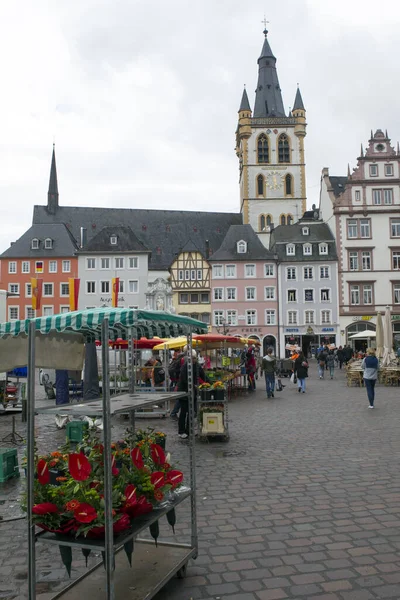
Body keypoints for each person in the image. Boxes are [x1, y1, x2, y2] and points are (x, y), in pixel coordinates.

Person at [177, 349, 207, 438]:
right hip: (184, 393)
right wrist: (193, 385)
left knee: (191, 412)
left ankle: (189, 431)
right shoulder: (185, 367)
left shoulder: (196, 365)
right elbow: (184, 380)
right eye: (193, 358)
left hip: (192, 392)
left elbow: (203, 375)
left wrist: (210, 383)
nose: (194, 360)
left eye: (195, 358)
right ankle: (181, 431)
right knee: (183, 412)